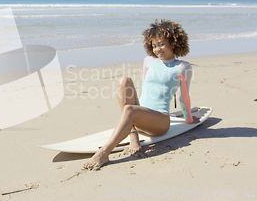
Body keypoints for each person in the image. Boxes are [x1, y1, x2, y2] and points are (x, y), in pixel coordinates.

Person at [83, 19, 199, 170]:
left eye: (161, 44)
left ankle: (104, 152)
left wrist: (189, 118)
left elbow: (184, 97)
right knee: (125, 81)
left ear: (174, 42)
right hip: (139, 116)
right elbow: (146, 88)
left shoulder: (182, 67)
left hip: (160, 122)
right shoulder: (149, 61)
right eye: (154, 45)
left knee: (130, 110)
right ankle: (133, 134)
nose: (157, 49)